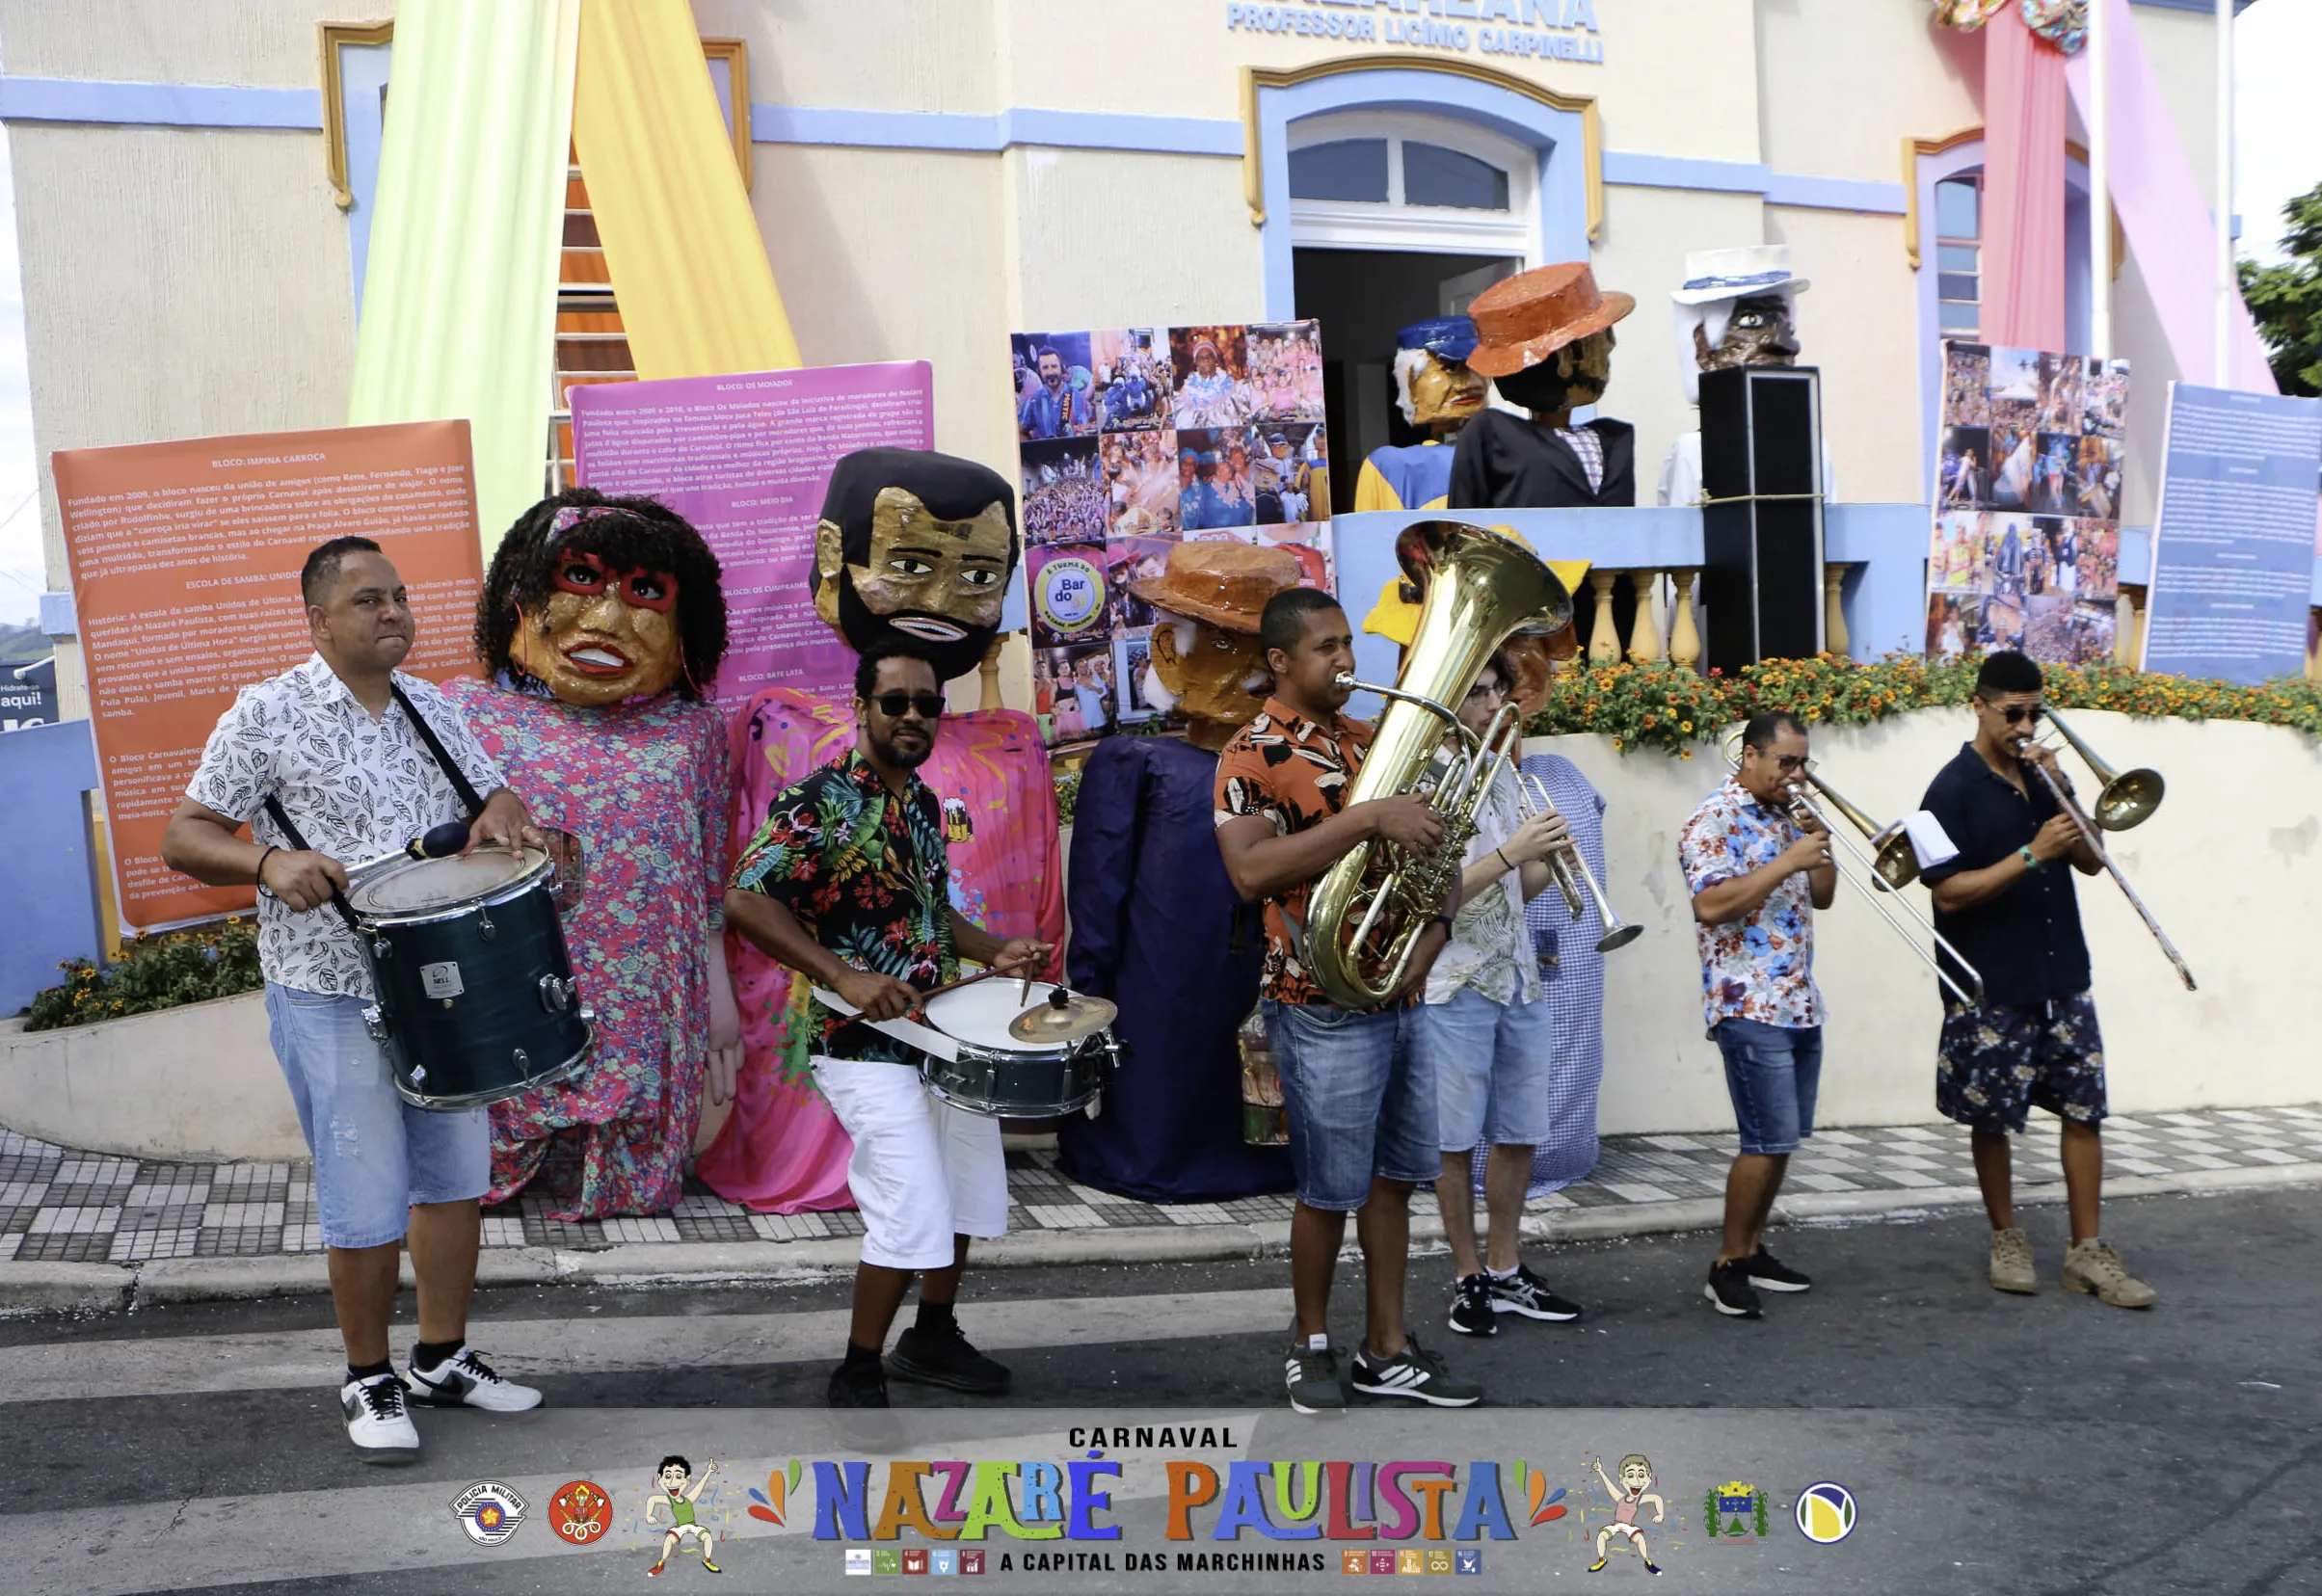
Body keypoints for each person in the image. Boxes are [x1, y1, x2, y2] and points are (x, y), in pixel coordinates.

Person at [161, 536, 545, 1458]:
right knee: (364, 1192)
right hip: (330, 990)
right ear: (318, 620)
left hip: (444, 989)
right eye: (370, 600)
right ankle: (368, 1378)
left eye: (400, 596)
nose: (394, 613)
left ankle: (442, 1359)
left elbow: (488, 795)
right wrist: (266, 860)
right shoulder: (268, 714)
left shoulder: (431, 705)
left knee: (454, 1182)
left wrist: (501, 809)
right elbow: (184, 835)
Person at [723, 638, 1052, 1408]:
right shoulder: (819, 800)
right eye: (895, 702)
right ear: (861, 708)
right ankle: (858, 1367)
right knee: (910, 1201)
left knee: (966, 1187)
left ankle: (931, 1337)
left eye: (926, 704)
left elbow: (930, 911)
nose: (912, 716)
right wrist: (842, 974)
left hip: (938, 1035)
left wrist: (995, 949)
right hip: (859, 1045)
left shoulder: (922, 801)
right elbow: (745, 898)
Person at [1214, 588, 1482, 1412]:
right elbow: (1250, 872)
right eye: (1325, 647)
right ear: (1279, 661)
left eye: (1345, 644)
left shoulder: (1372, 741)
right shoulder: (1249, 754)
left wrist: (1431, 940)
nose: (1345, 660)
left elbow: (1436, 861)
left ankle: (1386, 1349)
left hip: (1398, 993)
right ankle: (1309, 1344)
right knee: (1330, 1189)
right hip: (1317, 1000)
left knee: (1395, 1180)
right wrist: (1368, 817)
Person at [443, 491, 740, 1220]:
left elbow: (707, 878)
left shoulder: (694, 733)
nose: (607, 620)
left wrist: (719, 990)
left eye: (645, 593)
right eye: (580, 579)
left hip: (647, 980)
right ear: (518, 595)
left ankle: (625, 1176)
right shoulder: (466, 715)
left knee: (638, 1089)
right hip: (519, 971)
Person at [1059, 543, 1303, 1201]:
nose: (1255, 669)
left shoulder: (1295, 769)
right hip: (1160, 999)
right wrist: (1089, 1004)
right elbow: (1098, 899)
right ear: (1170, 652)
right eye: (1226, 645)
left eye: (1264, 650)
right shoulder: (1138, 766)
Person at [1918, 652, 2154, 1308]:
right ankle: (2006, 1238)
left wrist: (2067, 790)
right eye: (2012, 713)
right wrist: (2030, 855)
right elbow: (1947, 893)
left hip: (2061, 971)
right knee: (1992, 1117)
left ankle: (2087, 1252)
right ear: (1978, 705)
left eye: (2035, 713)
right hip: (1990, 980)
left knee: (2084, 1110)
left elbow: (2092, 861)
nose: (2025, 726)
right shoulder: (1946, 791)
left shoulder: (2043, 776)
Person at [1409, 651, 1588, 1338]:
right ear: (1451, 699)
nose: (1496, 706)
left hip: (1515, 973)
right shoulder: (1423, 779)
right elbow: (1432, 894)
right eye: (1481, 693)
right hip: (1452, 978)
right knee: (1452, 1140)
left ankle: (1507, 1268)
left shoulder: (1505, 775)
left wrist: (1548, 858)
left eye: (1499, 692)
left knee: (1519, 1130)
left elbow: (1515, 891)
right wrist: (1514, 851)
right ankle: (1467, 1276)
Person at [1677, 710, 1834, 1320]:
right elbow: (1712, 905)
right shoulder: (1713, 819)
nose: (1797, 775)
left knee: (1783, 1140)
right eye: (1786, 762)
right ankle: (1726, 1265)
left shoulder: (1787, 816)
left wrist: (1816, 849)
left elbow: (1823, 896)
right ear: (1750, 755)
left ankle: (1751, 1248)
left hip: (1797, 998)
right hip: (1747, 1001)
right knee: (1763, 1141)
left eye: (1803, 763)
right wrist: (1788, 861)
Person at [1449, 263, 1638, 511]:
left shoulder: (1613, 440)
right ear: (1566, 359)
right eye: (1600, 335)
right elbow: (1463, 520)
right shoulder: (1492, 434)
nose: (1610, 344)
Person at [644, 1456, 720, 1578]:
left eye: (678, 1476)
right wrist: (648, 1515)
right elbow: (652, 1499)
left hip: (692, 1525)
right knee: (669, 1540)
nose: (672, 1482)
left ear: (687, 1480)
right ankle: (661, 1563)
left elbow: (699, 1486)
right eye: (668, 1476)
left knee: (707, 1537)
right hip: (680, 1527)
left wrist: (708, 1472)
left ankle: (707, 1561)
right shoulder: (670, 1500)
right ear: (660, 1478)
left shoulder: (688, 1499)